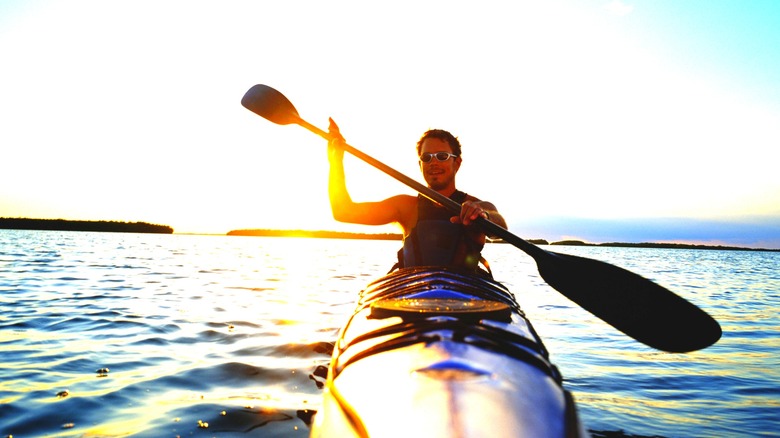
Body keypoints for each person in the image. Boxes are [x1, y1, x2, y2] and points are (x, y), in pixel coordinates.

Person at [327, 118, 507, 273]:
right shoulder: (405, 207)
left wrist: (482, 216)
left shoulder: (476, 205)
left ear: (457, 163)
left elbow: (501, 228)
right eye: (426, 158)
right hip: (416, 297)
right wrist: (336, 160)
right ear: (420, 165)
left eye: (442, 156)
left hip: (464, 300)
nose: (433, 162)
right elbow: (343, 211)